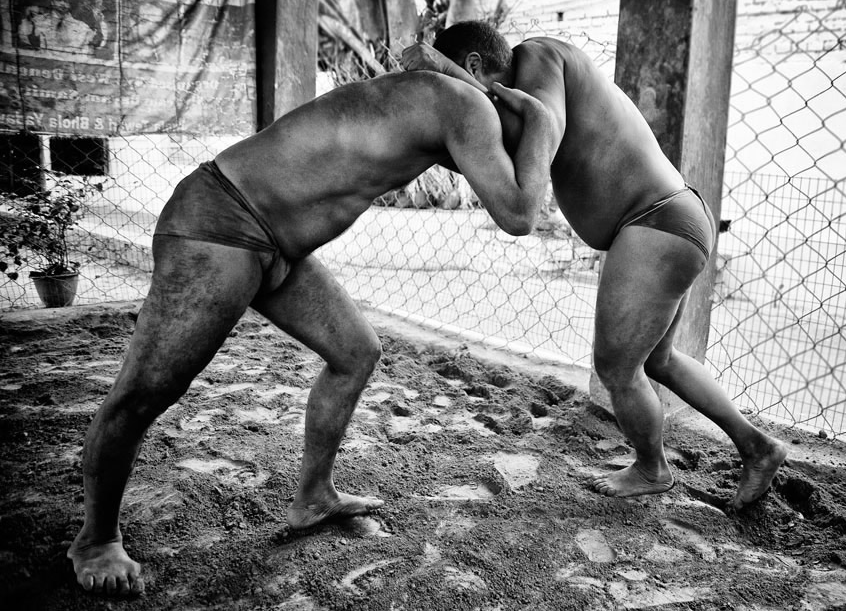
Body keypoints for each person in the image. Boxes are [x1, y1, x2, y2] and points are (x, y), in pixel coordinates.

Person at [68, 70, 555, 596]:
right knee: (144, 393)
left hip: (277, 243)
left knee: (356, 350)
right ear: (485, 72)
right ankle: (96, 541)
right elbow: (520, 212)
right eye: (517, 99)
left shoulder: (424, 97)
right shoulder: (466, 102)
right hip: (223, 221)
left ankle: (314, 497)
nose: (516, 119)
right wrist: (544, 126)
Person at [402, 22, 788, 509]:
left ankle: (652, 468)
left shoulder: (540, 57)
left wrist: (440, 69)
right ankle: (758, 446)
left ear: (474, 66)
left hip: (655, 222)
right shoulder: (523, 92)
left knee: (616, 366)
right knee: (658, 361)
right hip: (669, 217)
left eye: (460, 83)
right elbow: (502, 148)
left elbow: (544, 129)